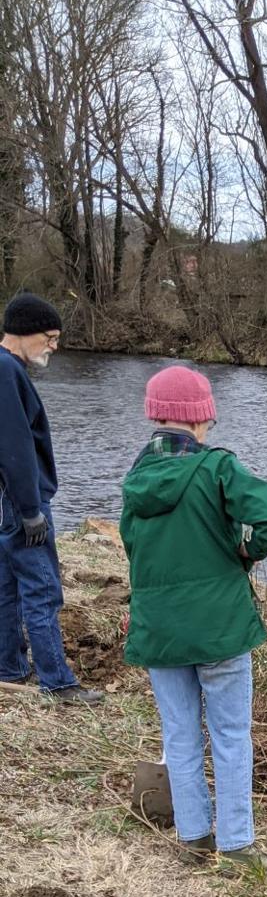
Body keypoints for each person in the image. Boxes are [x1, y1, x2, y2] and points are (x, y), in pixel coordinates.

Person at [120, 364, 267, 871]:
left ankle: (194, 836)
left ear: (155, 417)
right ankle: (237, 843)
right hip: (219, 627)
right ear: (200, 418)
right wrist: (245, 552)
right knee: (231, 734)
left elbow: (135, 556)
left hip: (160, 629)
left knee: (179, 733)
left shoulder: (135, 477)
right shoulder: (218, 468)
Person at [0, 290, 103, 705]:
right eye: (51, 336)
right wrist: (29, 510)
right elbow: (15, 446)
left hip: (7, 502)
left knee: (6, 588)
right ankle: (59, 684)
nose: (55, 346)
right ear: (26, 332)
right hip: (21, 504)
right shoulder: (7, 370)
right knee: (42, 590)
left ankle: (9, 668)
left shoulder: (6, 368)